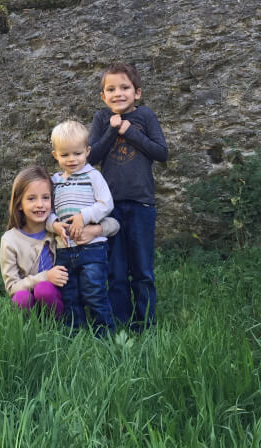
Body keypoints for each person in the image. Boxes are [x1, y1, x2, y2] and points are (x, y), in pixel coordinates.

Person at [88, 62, 168, 332]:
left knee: (142, 270)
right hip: (109, 207)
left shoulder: (145, 116)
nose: (118, 93)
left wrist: (128, 131)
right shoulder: (101, 119)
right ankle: (120, 321)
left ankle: (145, 323)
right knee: (116, 270)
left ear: (137, 93)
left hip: (141, 204)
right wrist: (112, 129)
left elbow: (161, 153)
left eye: (125, 87)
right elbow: (92, 156)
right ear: (103, 96)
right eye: (111, 89)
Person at [0, 165, 119, 316]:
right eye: (31, 198)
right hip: (27, 299)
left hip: (58, 299)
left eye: (45, 197)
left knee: (45, 290)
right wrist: (45, 277)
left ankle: (58, 324)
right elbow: (11, 287)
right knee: (21, 298)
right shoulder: (10, 240)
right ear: (19, 204)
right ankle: (30, 328)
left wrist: (94, 231)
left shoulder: (60, 228)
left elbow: (114, 225)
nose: (40, 204)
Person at [47, 120, 116, 334]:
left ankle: (104, 333)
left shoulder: (93, 176)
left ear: (87, 151)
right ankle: (74, 332)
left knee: (94, 290)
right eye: (65, 155)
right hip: (64, 248)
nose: (71, 159)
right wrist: (54, 225)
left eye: (77, 153)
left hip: (92, 247)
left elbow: (106, 203)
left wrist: (83, 217)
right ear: (55, 155)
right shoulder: (55, 181)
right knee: (69, 293)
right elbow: (47, 211)